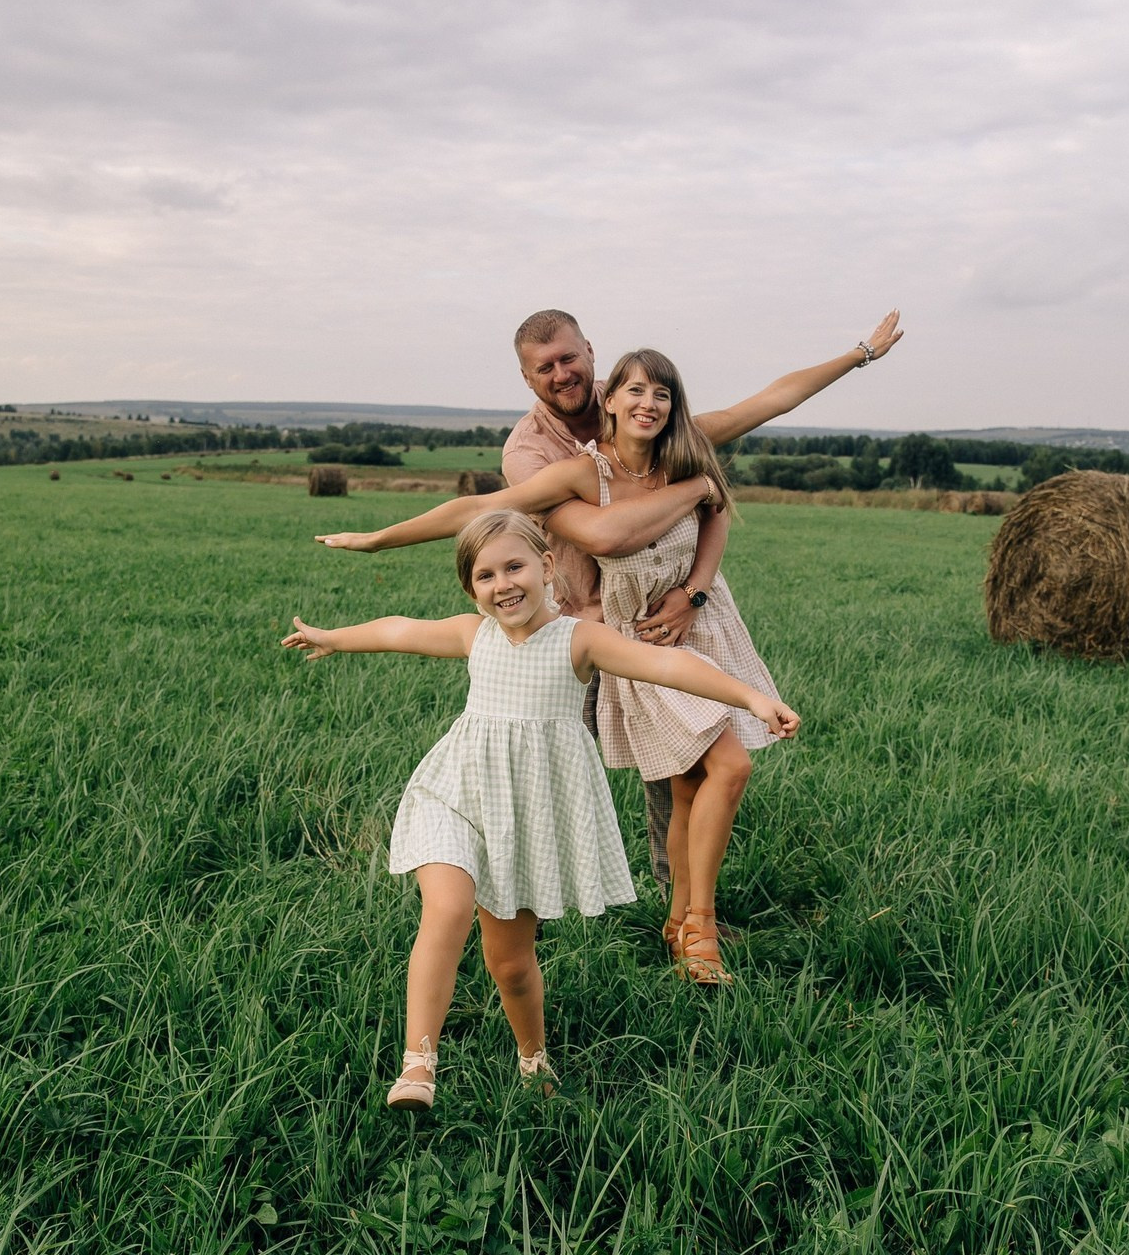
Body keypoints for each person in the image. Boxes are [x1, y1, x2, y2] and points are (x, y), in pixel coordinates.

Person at [283, 510, 798, 1110]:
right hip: (456, 795)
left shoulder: (578, 640)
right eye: (484, 575)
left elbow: (668, 665)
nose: (503, 584)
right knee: (446, 911)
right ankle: (418, 1066)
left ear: (547, 566)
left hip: (524, 817)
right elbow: (399, 630)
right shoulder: (473, 635)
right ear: (471, 589)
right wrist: (332, 637)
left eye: (514, 566)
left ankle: (533, 1056)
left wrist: (753, 697)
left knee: (512, 965)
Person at [315, 348, 800, 985]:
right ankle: (685, 926)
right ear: (607, 398)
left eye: (661, 393)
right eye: (635, 392)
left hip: (694, 627)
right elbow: (486, 513)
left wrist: (859, 354)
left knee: (690, 784)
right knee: (700, 768)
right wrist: (377, 538)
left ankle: (684, 923)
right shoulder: (566, 465)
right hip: (616, 635)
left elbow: (768, 404)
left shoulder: (687, 451)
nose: (647, 403)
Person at [500, 309, 903, 894]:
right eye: (545, 367)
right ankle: (532, 893)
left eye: (569, 358)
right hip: (573, 631)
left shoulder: (644, 406)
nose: (561, 373)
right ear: (526, 377)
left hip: (660, 626)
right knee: (547, 769)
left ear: (590, 351)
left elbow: (764, 405)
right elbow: (607, 536)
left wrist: (859, 353)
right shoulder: (529, 454)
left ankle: (678, 908)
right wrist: (697, 484)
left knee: (679, 769)